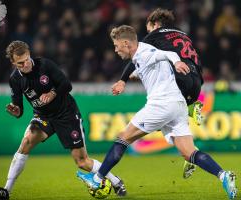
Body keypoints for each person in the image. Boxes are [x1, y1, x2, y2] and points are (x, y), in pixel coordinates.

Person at [77, 25, 237, 200]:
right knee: (189, 152)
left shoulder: (145, 52)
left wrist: (177, 62)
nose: (115, 50)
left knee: (123, 137)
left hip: (161, 104)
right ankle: (223, 175)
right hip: (178, 105)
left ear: (126, 43)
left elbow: (169, 55)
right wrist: (132, 76)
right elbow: (152, 64)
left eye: (116, 46)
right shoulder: (142, 54)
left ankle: (98, 178)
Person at [0, 41, 126, 200]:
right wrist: (16, 111)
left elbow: (67, 85)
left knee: (82, 162)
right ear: (13, 63)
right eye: (20, 63)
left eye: (26, 59)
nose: (25, 64)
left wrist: (52, 94)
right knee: (26, 142)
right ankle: (6, 191)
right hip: (43, 116)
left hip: (66, 114)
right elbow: (19, 108)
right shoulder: (15, 79)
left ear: (29, 54)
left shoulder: (45, 65)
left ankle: (116, 182)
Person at [111, 8, 204, 179]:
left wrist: (123, 79)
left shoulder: (156, 35)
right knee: (175, 116)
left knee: (165, 107)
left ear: (155, 24)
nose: (147, 32)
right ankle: (192, 110)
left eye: (148, 28)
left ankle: (191, 110)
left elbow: (137, 56)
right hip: (196, 81)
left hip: (180, 77)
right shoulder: (183, 34)